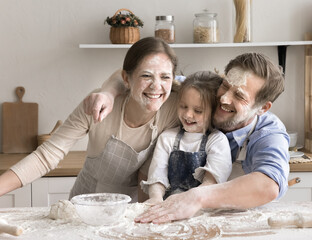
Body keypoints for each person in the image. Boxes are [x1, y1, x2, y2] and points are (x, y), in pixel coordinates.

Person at [83, 52, 290, 223]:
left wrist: (197, 197)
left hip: (232, 224)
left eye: (239, 96)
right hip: (172, 216)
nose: (224, 98)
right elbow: (134, 77)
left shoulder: (269, 134)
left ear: (263, 108)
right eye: (226, 85)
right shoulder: (198, 89)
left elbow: (269, 185)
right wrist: (108, 93)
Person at [0, 37, 180, 202]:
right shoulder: (97, 105)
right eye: (146, 76)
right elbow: (46, 157)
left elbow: (202, 87)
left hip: (133, 208)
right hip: (86, 205)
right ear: (127, 79)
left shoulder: (176, 107)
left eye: (165, 77)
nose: (156, 86)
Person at [141, 71, 232, 205]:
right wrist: (156, 198)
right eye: (183, 106)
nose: (188, 115)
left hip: (202, 208)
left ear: (214, 111)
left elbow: (210, 183)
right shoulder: (167, 138)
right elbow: (157, 176)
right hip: (168, 206)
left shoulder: (217, 141)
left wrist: (185, 203)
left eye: (198, 111)